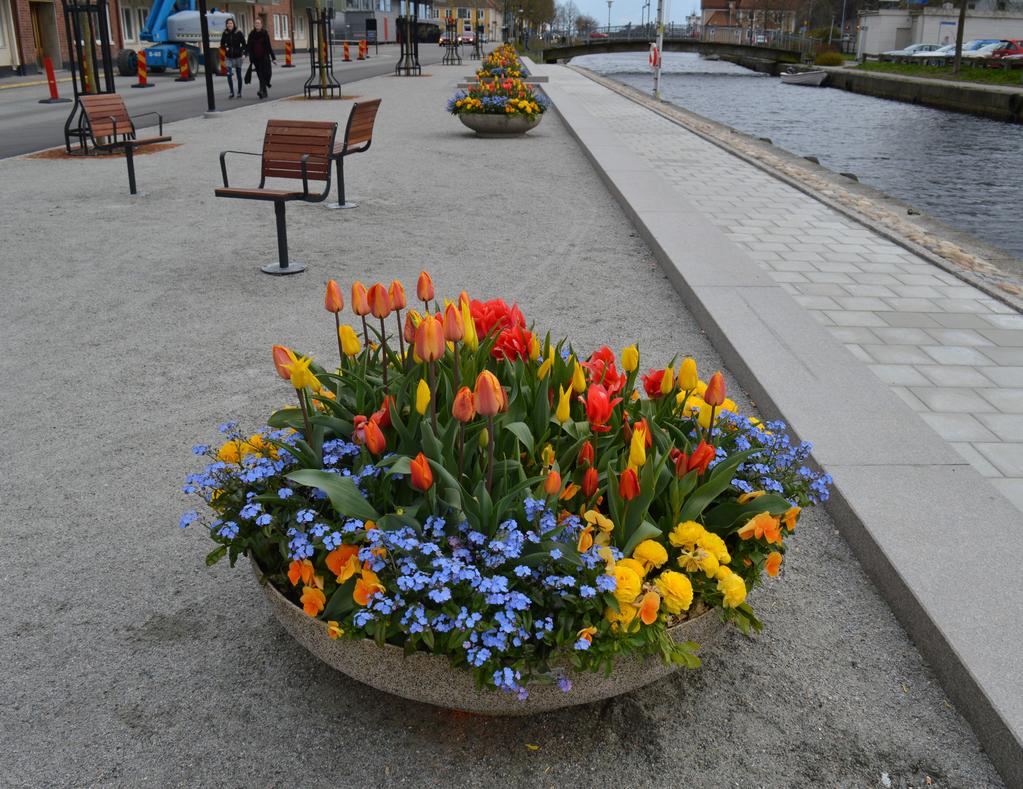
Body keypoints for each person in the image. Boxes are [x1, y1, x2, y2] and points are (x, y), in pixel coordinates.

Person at [247, 18, 276, 100]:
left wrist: (273, 58)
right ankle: (262, 91)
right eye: (256, 23)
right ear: (254, 24)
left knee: (266, 74)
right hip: (255, 58)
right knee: (260, 75)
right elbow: (248, 46)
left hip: (264, 57)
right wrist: (245, 54)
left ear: (261, 25)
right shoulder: (251, 34)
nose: (257, 24)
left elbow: (269, 46)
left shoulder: (265, 33)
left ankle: (263, 91)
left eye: (259, 23)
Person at [220, 18, 246, 99]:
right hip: (229, 57)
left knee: (238, 75)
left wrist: (242, 52)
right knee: (228, 75)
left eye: (231, 23)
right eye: (228, 23)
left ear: (233, 24)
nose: (229, 25)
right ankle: (231, 92)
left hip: (238, 57)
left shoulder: (238, 33)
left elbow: (244, 44)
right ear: (226, 25)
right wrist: (225, 48)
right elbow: (222, 44)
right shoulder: (225, 33)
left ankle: (239, 92)